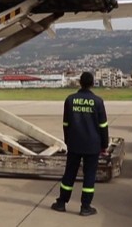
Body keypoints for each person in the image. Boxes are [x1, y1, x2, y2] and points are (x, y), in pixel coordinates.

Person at [50, 71, 108, 216]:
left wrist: (68, 141)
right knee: (89, 176)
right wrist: (104, 145)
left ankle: (61, 203)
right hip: (92, 145)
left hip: (75, 143)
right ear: (92, 83)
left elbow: (66, 124)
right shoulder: (98, 101)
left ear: (80, 83)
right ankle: (85, 207)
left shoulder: (70, 100)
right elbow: (103, 126)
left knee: (69, 173)